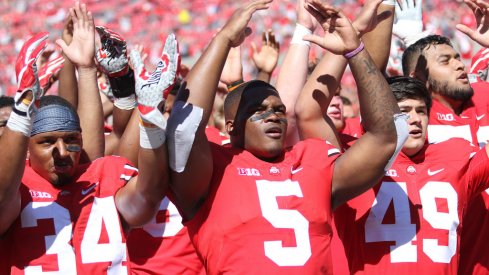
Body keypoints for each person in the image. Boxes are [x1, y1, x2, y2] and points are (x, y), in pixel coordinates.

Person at [165, 0, 407, 273]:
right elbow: (184, 128)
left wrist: (356, 50)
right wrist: (222, 41)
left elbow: (388, 136)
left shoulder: (311, 160)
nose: (273, 116)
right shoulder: (215, 169)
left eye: (279, 110)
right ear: (231, 127)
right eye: (258, 110)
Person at [0, 2, 175, 273]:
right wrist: (23, 109)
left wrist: (150, 119)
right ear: (25, 148)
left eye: (71, 141)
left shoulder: (101, 176)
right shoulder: (17, 187)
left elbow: (147, 196)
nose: (61, 151)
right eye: (47, 142)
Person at [331, 76, 489, 274]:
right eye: (404, 111)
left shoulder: (456, 155)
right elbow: (306, 115)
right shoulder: (353, 159)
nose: (415, 119)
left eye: (421, 111)